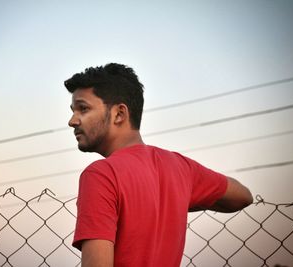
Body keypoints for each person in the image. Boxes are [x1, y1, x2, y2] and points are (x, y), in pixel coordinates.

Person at [64, 63, 253, 267]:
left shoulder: (101, 174)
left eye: (83, 109)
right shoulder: (180, 168)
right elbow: (242, 195)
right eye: (73, 110)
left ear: (119, 114)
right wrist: (174, 200)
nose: (72, 121)